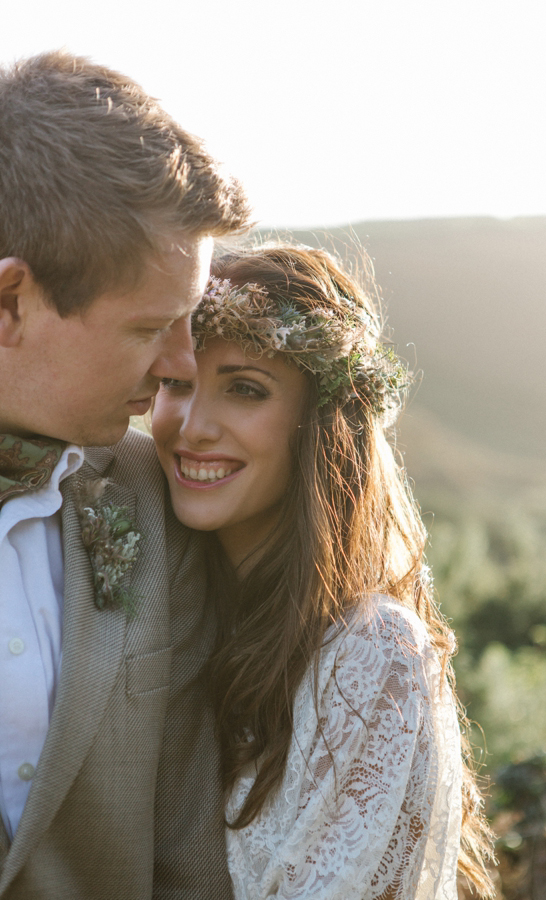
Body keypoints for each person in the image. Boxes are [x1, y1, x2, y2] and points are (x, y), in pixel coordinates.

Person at [152, 243, 496, 899]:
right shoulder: (179, 602)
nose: (193, 427)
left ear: (319, 425)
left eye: (244, 389)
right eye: (176, 383)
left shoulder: (371, 656)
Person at [0, 51, 251, 899]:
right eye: (151, 328)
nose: (180, 365)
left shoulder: (152, 497)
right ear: (10, 303)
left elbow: (186, 846)